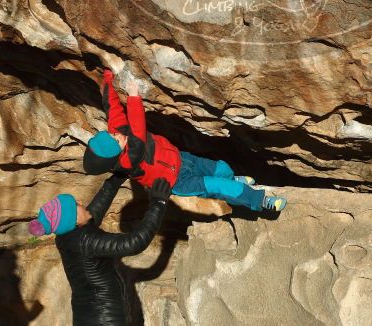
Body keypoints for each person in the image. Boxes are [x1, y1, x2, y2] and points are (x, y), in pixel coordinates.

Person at [84, 69, 287, 212]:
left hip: (180, 158)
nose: (117, 135)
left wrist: (108, 80)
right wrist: (134, 97)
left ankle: (233, 179)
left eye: (112, 135)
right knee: (219, 187)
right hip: (179, 181)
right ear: (117, 156)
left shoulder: (117, 133)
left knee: (221, 168)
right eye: (115, 141)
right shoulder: (128, 161)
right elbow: (137, 129)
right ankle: (262, 201)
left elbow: (112, 108)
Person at [27, 174, 171, 325]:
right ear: (74, 218)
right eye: (77, 204)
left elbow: (94, 212)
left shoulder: (66, 235)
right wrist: (158, 204)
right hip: (104, 321)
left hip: (89, 317)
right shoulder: (85, 240)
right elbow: (134, 243)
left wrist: (116, 179)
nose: (81, 202)